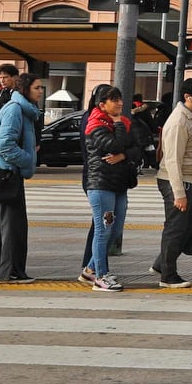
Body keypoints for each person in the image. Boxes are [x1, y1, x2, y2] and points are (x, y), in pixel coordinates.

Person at [0, 73, 41, 283]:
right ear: (26, 90)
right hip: (7, 174)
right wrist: (27, 159)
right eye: (37, 88)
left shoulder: (21, 109)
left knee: (1, 223)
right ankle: (9, 272)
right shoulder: (15, 109)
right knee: (14, 225)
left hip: (6, 172)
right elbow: (4, 144)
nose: (40, 91)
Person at [80, 84, 139, 290]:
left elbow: (137, 147)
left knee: (115, 230)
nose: (120, 103)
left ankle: (89, 270)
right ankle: (101, 276)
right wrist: (119, 129)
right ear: (102, 105)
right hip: (101, 184)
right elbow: (115, 145)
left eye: (120, 99)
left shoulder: (122, 122)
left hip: (119, 184)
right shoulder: (95, 124)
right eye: (115, 100)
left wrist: (123, 155)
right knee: (103, 231)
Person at [154, 77, 192, 290]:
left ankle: (162, 264)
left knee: (189, 227)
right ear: (188, 97)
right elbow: (172, 159)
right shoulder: (179, 121)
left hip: (191, 181)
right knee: (176, 228)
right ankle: (168, 276)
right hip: (176, 181)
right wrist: (179, 193)